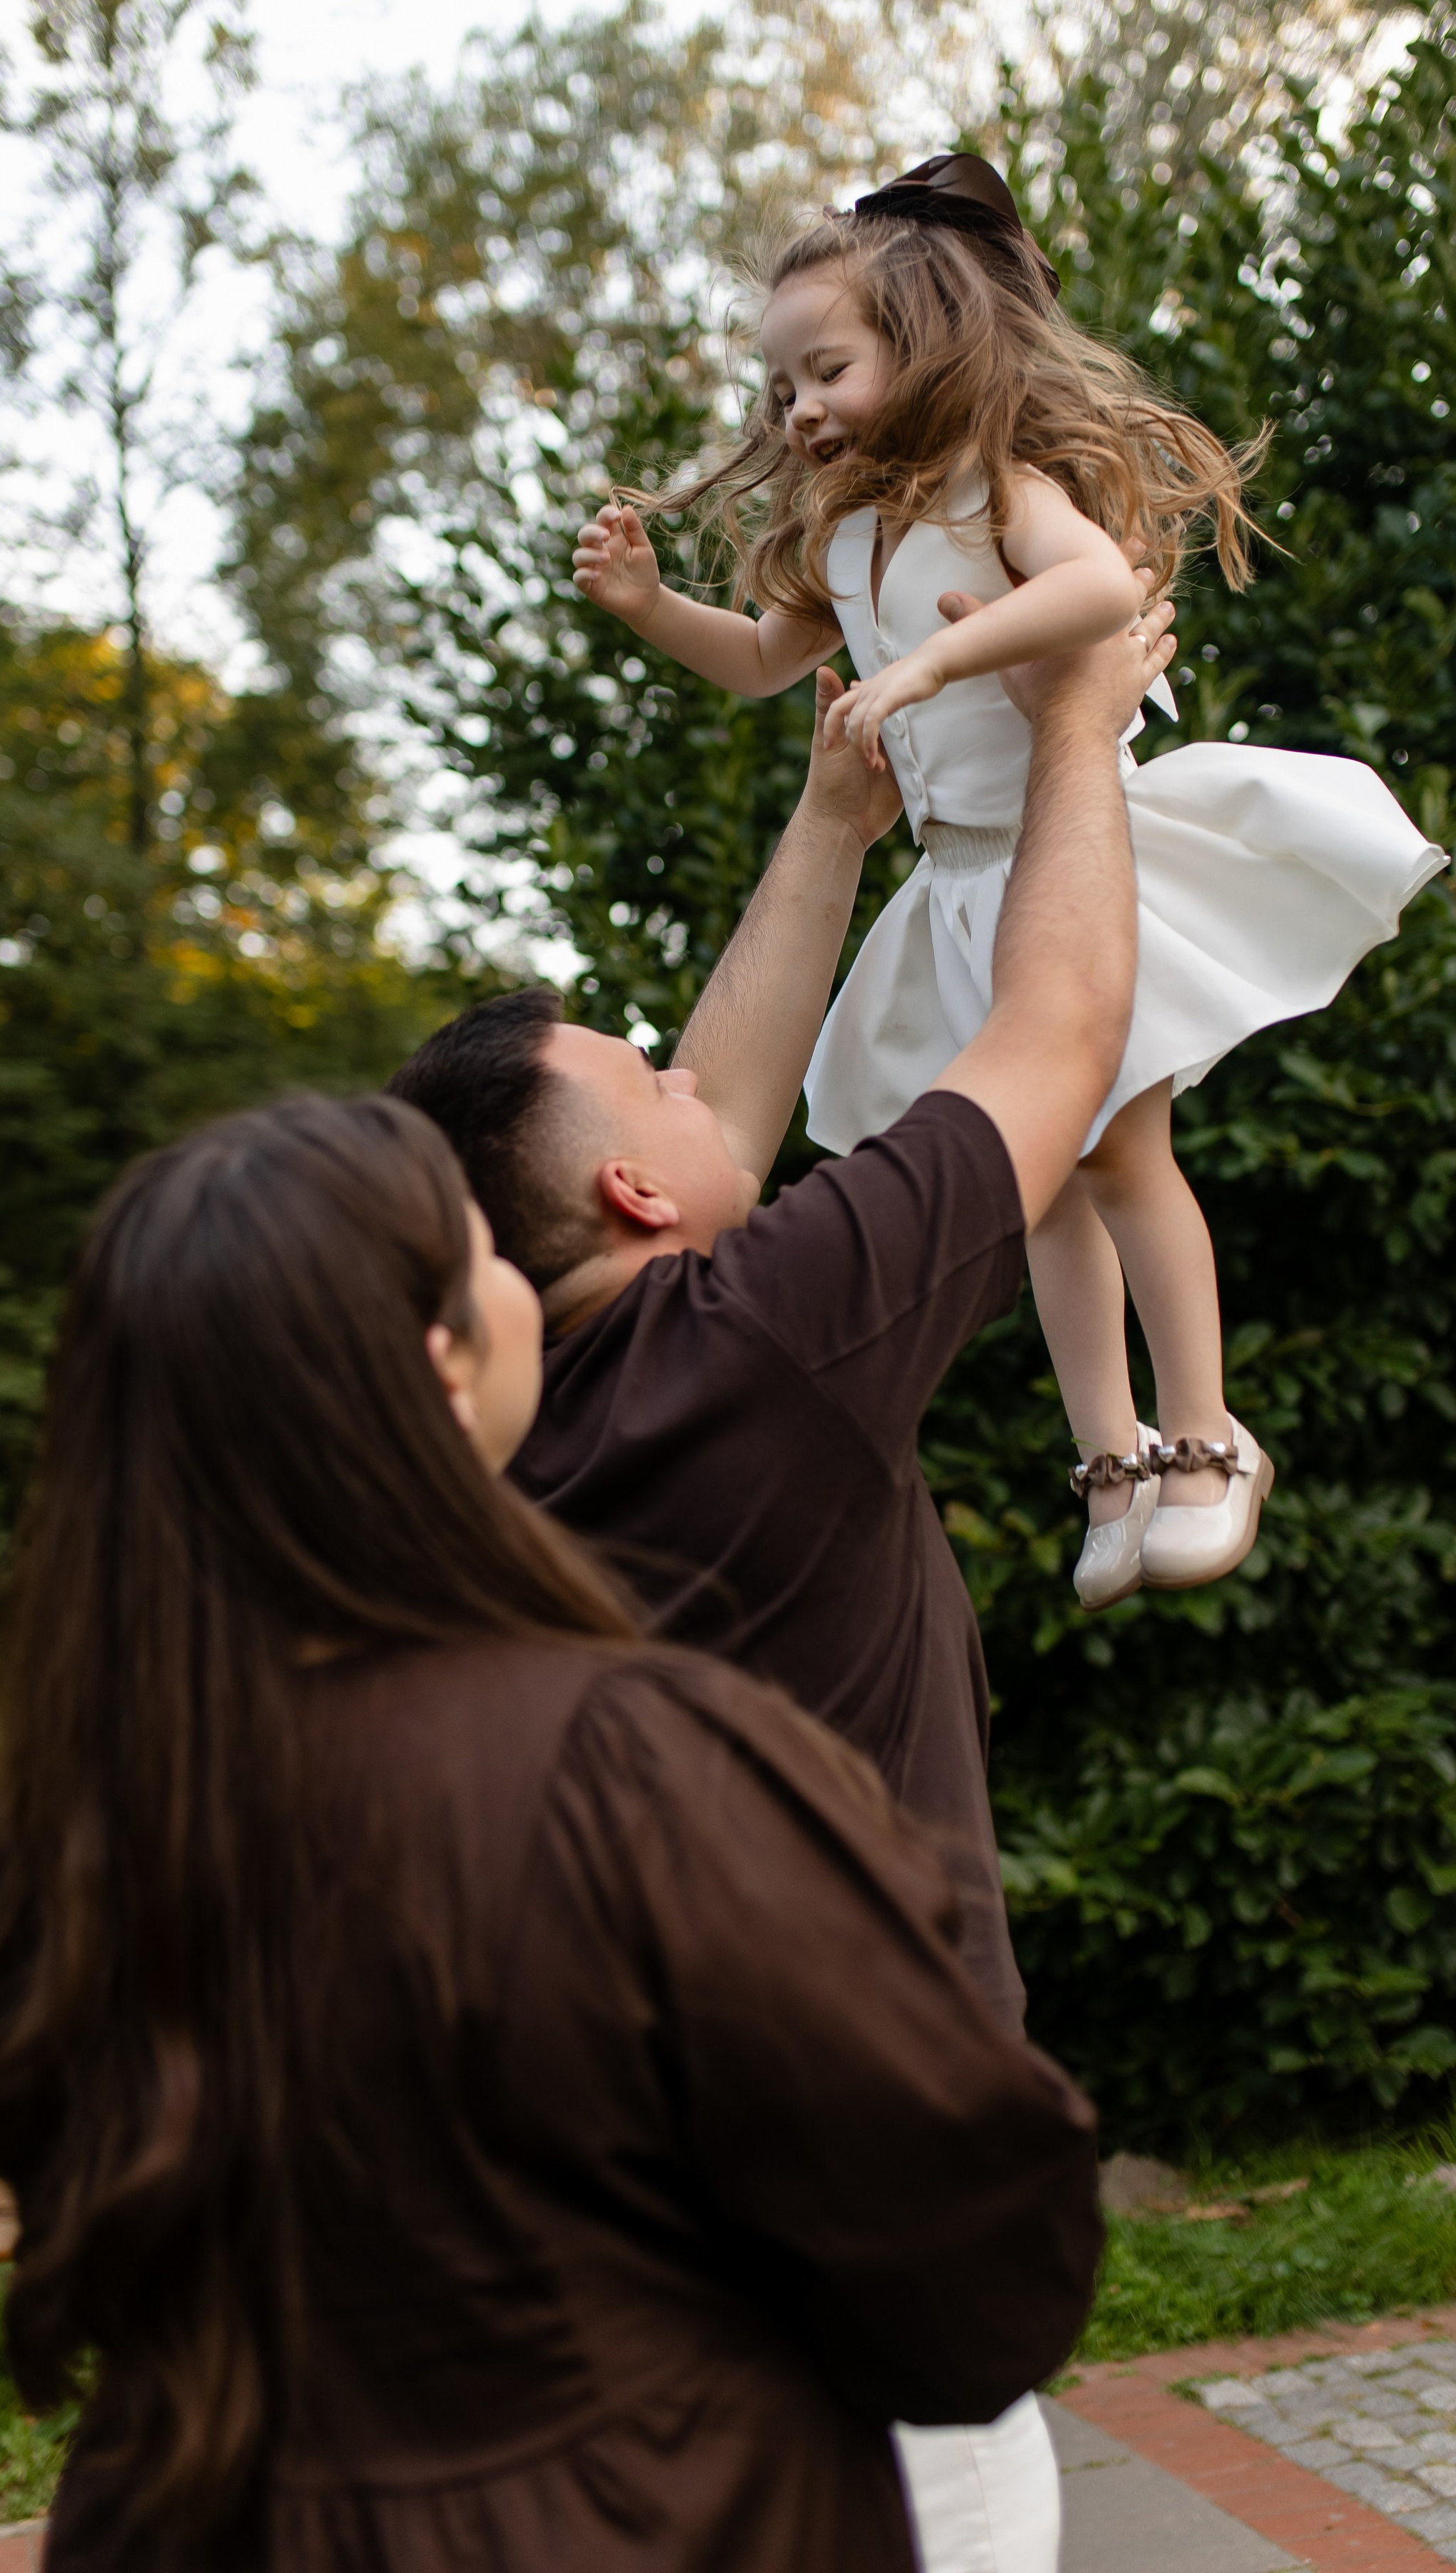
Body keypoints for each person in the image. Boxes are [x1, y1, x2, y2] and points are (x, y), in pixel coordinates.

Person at [0, 1094, 1103, 2573]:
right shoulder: (626, 1764)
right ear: (438, 1364)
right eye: (481, 1250)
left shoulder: (58, 1829)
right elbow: (977, 2276)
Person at [390, 600, 1168, 2573]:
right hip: (865, 2174)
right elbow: (1062, 1036)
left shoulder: (469, 1441)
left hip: (594, 2193)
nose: (682, 1075)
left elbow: (710, 1134)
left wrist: (833, 820)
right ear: (635, 1201)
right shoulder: (768, 1340)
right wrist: (1078, 721)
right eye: (640, 1074)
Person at [571, 150, 1446, 1606]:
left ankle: (1206, 1432)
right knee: (1029, 1183)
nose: (798, 411)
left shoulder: (995, 484)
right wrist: (652, 605)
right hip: (962, 887)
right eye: (781, 387)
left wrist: (927, 659)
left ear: (918, 347)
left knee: (1121, 1152)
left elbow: (1098, 587)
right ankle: (1107, 1456)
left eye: (826, 370)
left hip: (1083, 857)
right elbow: (754, 667)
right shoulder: (834, 540)